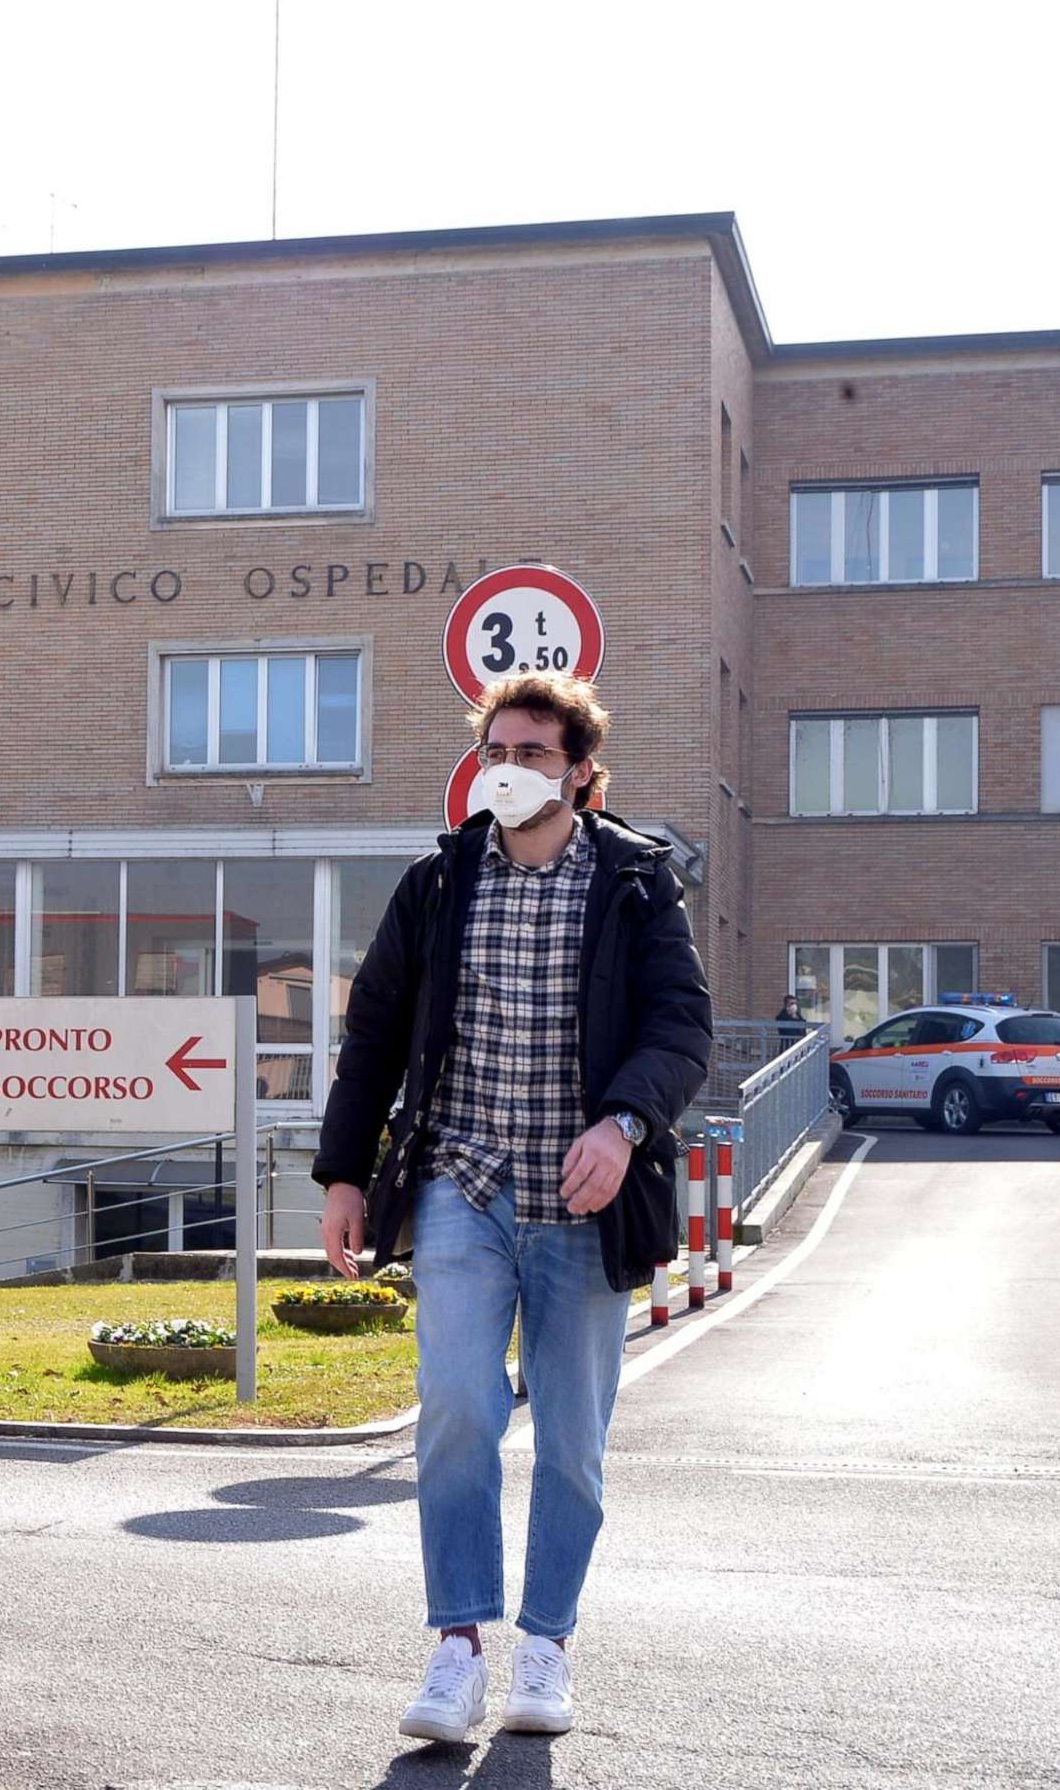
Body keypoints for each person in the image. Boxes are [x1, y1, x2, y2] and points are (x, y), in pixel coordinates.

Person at [314, 670, 711, 1745]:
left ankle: (546, 1642)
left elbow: (681, 1028)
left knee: (574, 1441)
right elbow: (376, 1036)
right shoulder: (439, 882)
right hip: (465, 1186)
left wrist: (623, 1124)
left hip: (586, 1202)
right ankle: (456, 1645)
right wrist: (344, 1173)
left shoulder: (635, 884)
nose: (513, 765)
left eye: (535, 751)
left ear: (581, 774)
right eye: (499, 747)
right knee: (457, 1407)